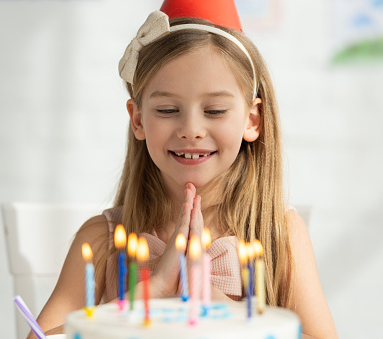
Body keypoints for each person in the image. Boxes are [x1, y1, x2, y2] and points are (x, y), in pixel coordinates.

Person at [30, 3, 338, 339]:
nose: (191, 129)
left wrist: (216, 304)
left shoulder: (278, 232)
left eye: (215, 110)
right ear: (137, 119)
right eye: (167, 109)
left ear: (252, 120)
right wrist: (149, 296)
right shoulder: (102, 238)